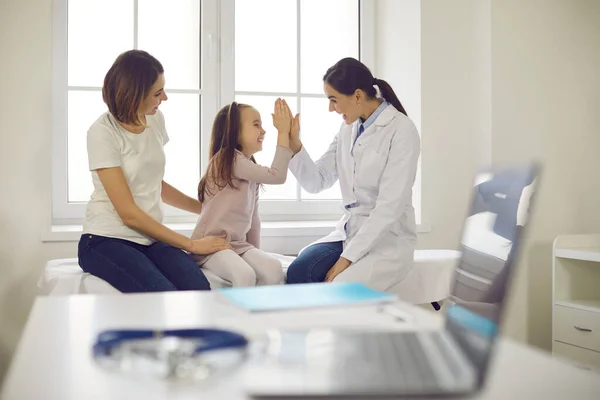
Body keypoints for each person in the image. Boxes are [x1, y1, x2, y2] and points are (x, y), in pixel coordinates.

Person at [78, 50, 230, 293]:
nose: (165, 97)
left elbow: (154, 183)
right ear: (133, 95)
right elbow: (129, 214)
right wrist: (192, 245)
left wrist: (205, 208)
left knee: (198, 288)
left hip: (149, 239)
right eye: (158, 93)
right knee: (162, 294)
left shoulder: (155, 120)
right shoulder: (102, 132)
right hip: (106, 240)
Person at [285, 57, 421, 292]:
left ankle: (344, 327)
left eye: (333, 100)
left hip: (388, 239)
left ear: (357, 96)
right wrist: (295, 145)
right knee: (299, 270)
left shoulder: (402, 130)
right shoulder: (348, 129)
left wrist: (346, 260)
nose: (331, 108)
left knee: (337, 287)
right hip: (350, 230)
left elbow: (389, 207)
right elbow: (317, 181)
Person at [191, 99, 295, 287]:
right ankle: (237, 317)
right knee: (244, 274)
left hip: (237, 245)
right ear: (234, 131)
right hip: (211, 245)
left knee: (273, 269)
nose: (263, 131)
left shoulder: (249, 168)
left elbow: (253, 220)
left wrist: (256, 255)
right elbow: (277, 175)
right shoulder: (227, 159)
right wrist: (283, 132)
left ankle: (261, 314)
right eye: (256, 125)